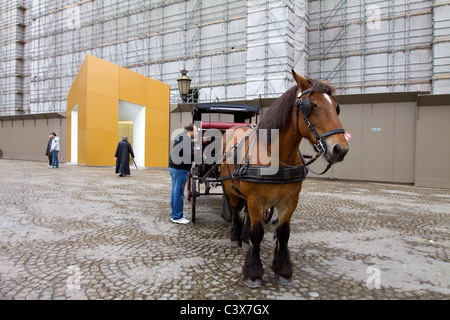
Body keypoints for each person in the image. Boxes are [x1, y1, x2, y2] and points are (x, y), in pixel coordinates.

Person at [168, 123, 198, 224]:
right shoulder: (185, 139)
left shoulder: (182, 137)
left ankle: (175, 214)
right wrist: (200, 158)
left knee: (175, 192)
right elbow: (188, 153)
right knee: (178, 193)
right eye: (196, 130)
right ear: (190, 131)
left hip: (174, 167)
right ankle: (177, 217)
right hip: (179, 169)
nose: (197, 132)